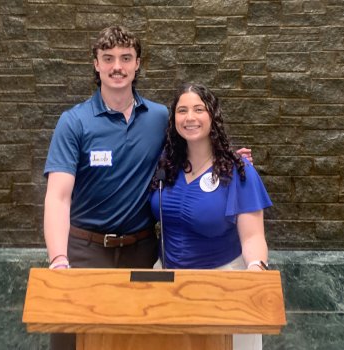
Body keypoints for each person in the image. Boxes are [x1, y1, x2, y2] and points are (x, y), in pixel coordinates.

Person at [42, 27, 252, 350]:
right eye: (108, 58)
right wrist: (58, 259)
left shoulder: (158, 117)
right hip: (86, 252)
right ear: (96, 64)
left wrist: (228, 160)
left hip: (143, 253)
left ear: (137, 63)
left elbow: (192, 144)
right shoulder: (74, 122)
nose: (117, 66)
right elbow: (58, 197)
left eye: (126, 58)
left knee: (140, 341)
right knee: (73, 338)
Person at [149, 83, 272, 349]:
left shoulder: (238, 171)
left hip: (222, 283)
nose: (189, 117)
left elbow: (253, 237)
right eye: (182, 111)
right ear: (173, 120)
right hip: (169, 283)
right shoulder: (165, 165)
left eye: (198, 109)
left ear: (212, 117)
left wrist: (255, 272)